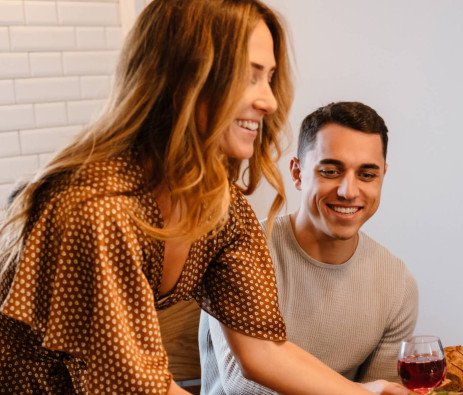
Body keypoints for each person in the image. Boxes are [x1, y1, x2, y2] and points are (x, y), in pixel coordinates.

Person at [0, 0, 409, 392]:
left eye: (269, 77)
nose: (268, 100)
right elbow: (136, 386)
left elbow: (264, 348)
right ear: (184, 77)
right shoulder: (95, 208)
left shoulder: (221, 206)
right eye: (249, 76)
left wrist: (365, 393)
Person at [199, 101, 419, 394]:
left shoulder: (397, 284)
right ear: (297, 172)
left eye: (367, 175)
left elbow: (384, 390)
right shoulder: (240, 248)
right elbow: (242, 383)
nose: (348, 191)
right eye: (330, 171)